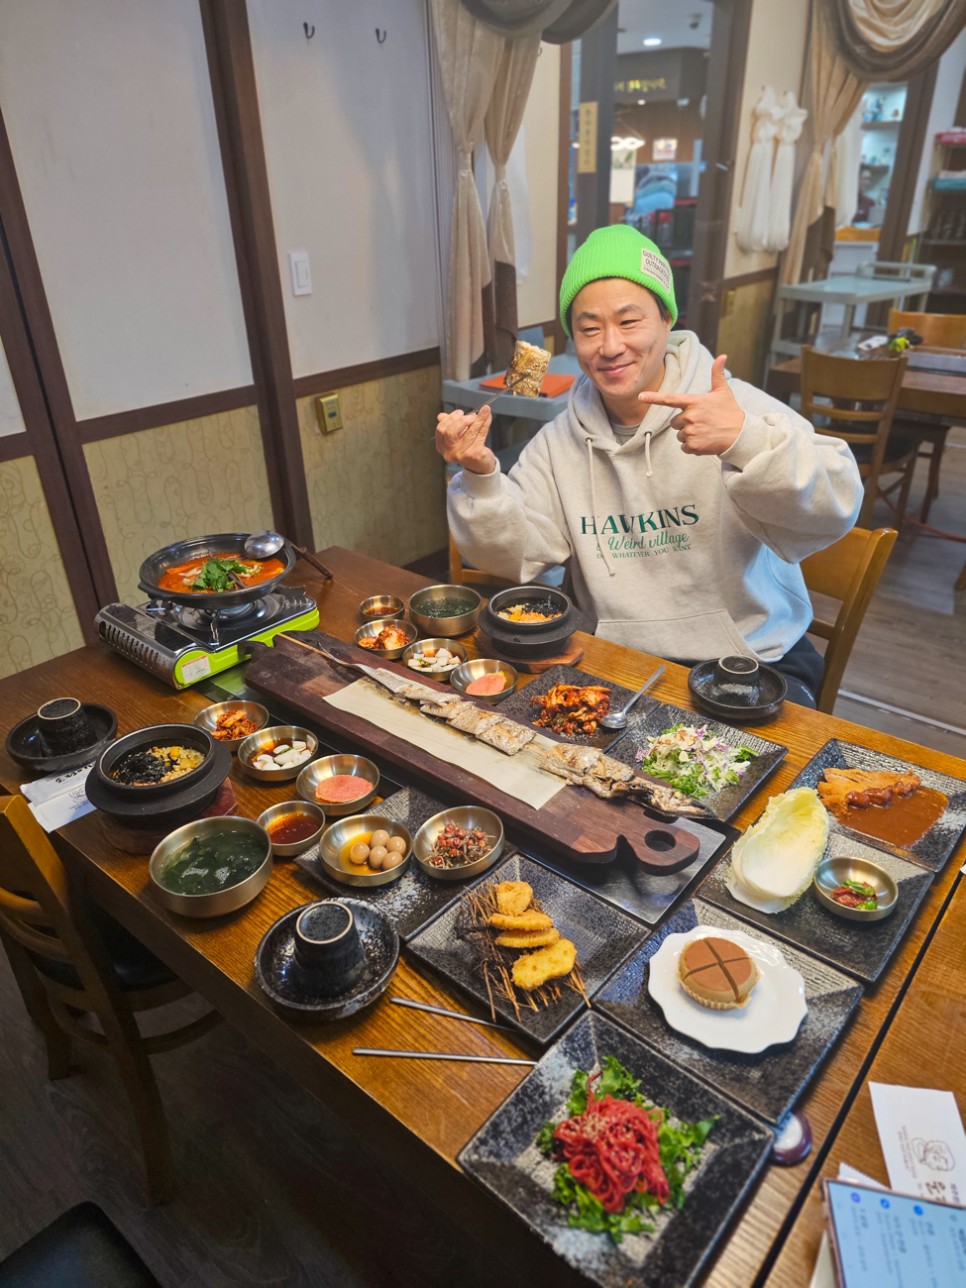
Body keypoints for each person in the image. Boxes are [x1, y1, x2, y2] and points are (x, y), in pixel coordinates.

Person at [434, 224, 865, 708]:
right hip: (615, 661)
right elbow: (515, 557)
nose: (610, 346)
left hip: (750, 659)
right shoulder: (561, 440)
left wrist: (746, 441)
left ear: (666, 320)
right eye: (589, 328)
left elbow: (838, 500)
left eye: (629, 321)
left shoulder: (732, 406)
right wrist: (481, 474)